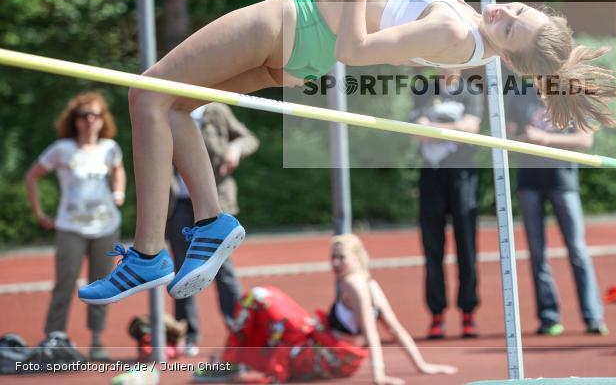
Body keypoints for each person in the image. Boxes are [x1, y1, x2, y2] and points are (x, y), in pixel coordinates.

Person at [78, 0, 616, 306]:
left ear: (510, 56)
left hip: (298, 23)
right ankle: (210, 221)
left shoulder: (454, 29)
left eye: (512, 25)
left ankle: (150, 253)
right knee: (173, 108)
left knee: (144, 93)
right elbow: (398, 43)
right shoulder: (473, 39)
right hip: (299, 55)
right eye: (517, 8)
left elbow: (357, 49)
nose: (504, 11)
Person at [214, 234, 457, 384]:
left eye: (342, 257)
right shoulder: (369, 283)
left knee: (259, 298)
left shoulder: (354, 284)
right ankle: (233, 361)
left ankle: (231, 361)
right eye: (333, 257)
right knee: (271, 311)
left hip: (330, 356)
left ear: (357, 257)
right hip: (333, 354)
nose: (336, 263)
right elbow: (395, 329)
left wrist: (378, 376)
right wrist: (422, 366)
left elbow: (373, 332)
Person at [25, 91, 126, 360]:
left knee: (101, 284)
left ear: (103, 119)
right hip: (70, 227)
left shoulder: (110, 148)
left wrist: (119, 193)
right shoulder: (62, 149)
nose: (90, 120)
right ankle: (53, 339)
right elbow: (32, 176)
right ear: (75, 120)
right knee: (65, 283)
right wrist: (39, 213)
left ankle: (97, 340)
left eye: (95, 114)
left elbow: (119, 170)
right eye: (83, 115)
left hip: (106, 227)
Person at [507, 80, 609, 336]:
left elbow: (585, 139)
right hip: (530, 183)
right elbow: (508, 136)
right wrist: (525, 138)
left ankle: (593, 316)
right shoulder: (518, 94)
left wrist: (546, 139)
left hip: (563, 182)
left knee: (577, 249)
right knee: (537, 253)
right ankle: (548, 317)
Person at [166, 102, 258, 356]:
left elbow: (248, 137)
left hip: (213, 203)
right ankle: (188, 335)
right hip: (179, 204)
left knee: (222, 267)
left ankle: (239, 329)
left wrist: (235, 148)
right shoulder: (166, 110)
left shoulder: (214, 110)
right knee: (184, 271)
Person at [409, 67, 483, 339]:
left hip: (462, 175)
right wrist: (453, 129)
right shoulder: (422, 90)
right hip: (431, 176)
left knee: (466, 246)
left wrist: (436, 128)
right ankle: (437, 314)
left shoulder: (471, 90)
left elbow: (472, 127)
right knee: (432, 248)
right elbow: (417, 132)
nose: (445, 63)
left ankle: (468, 312)